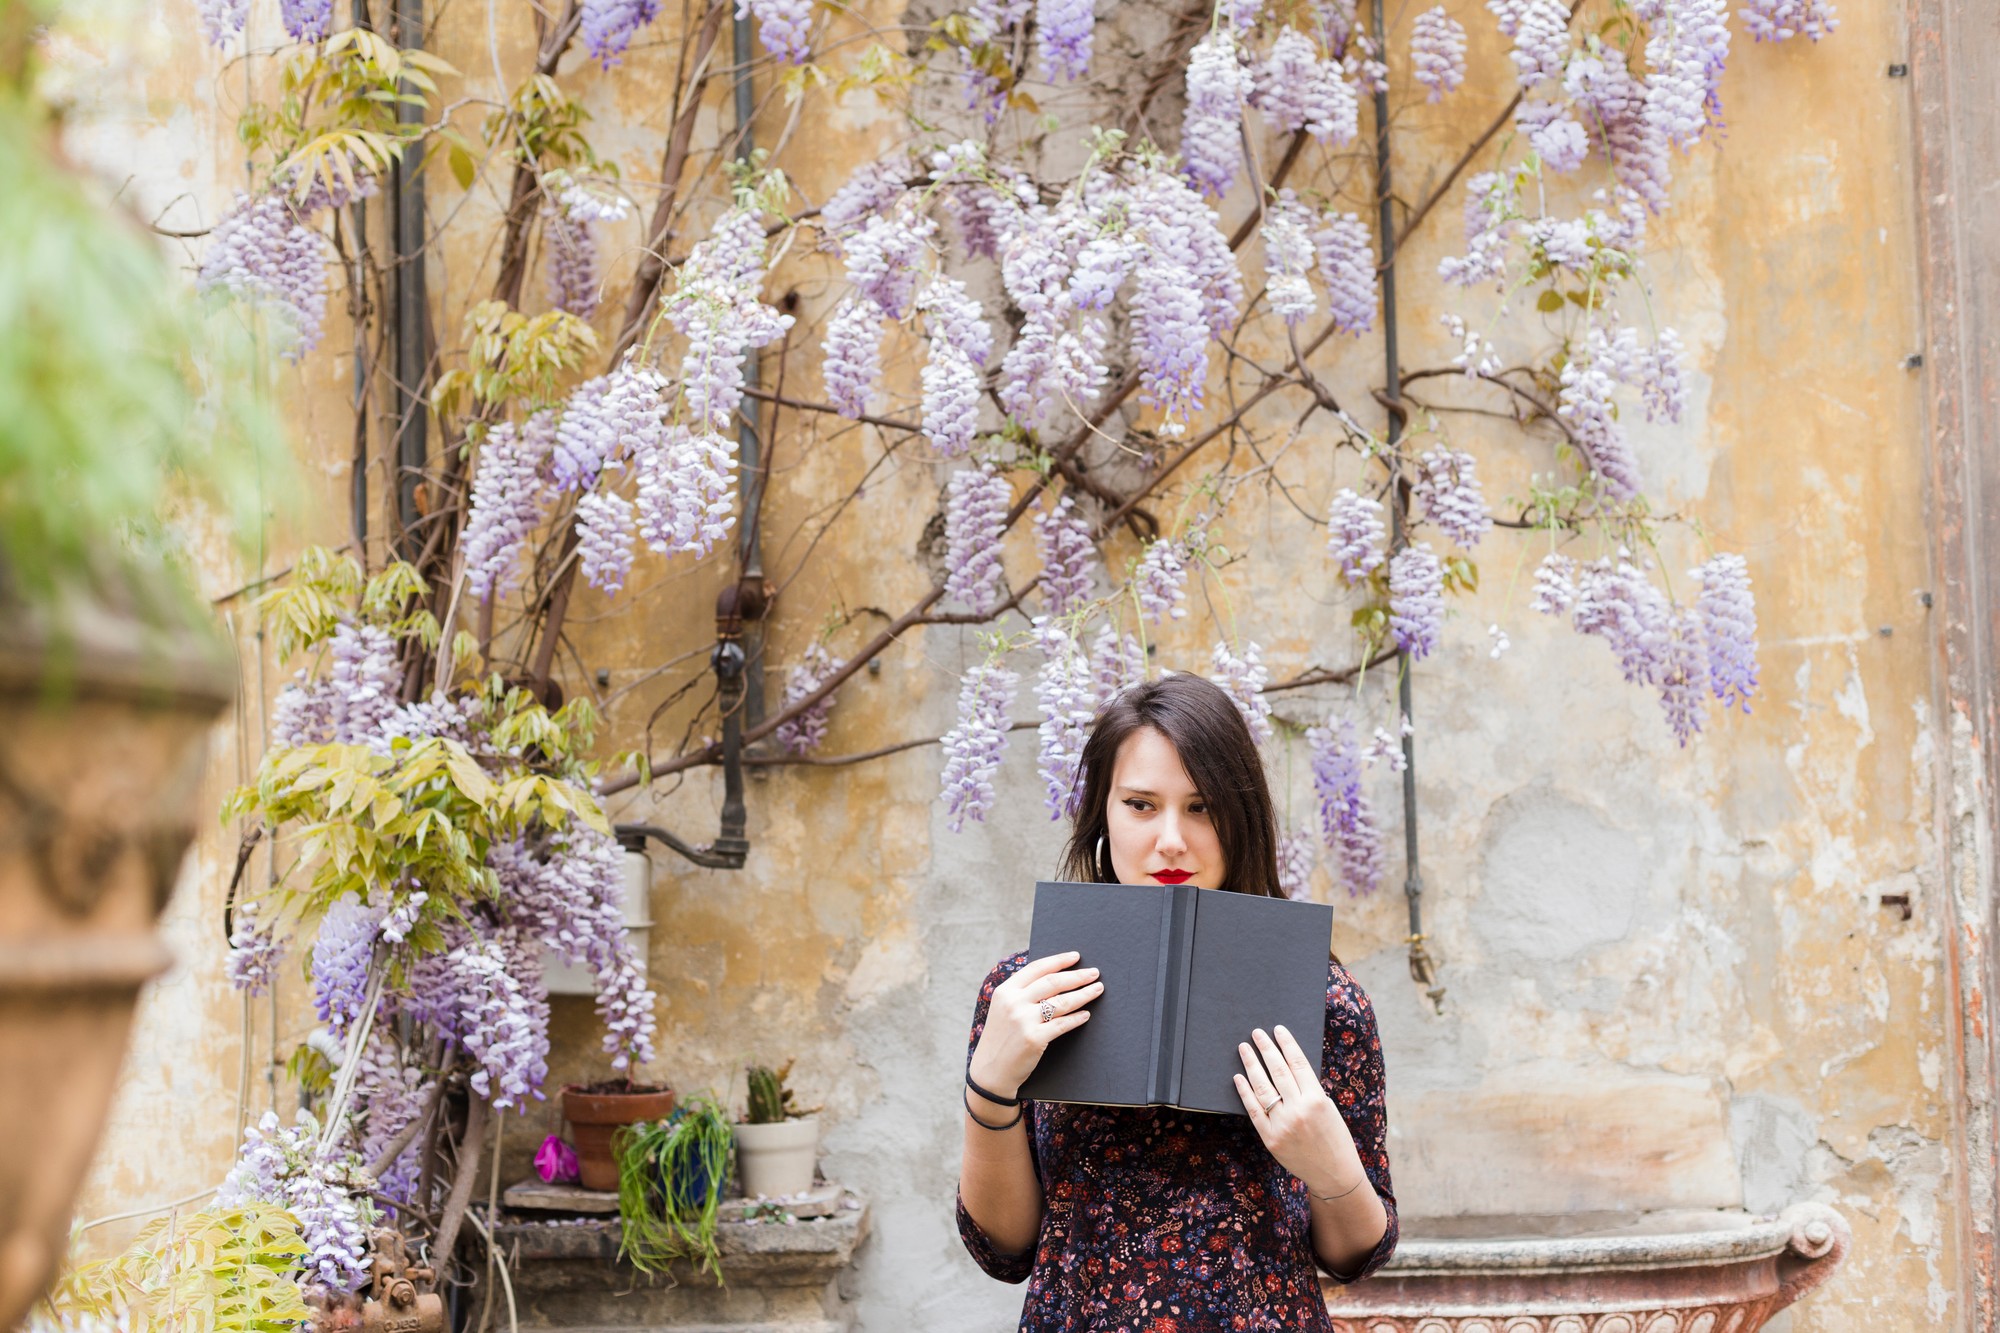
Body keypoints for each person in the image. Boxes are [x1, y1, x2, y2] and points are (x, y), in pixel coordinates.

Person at [955, 672, 1397, 1330]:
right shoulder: (1027, 993)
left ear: (1242, 817)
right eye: (1140, 804)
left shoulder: (1324, 998)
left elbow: (1355, 1255)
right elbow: (1004, 1248)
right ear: (1102, 813)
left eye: (1202, 807)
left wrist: (1333, 1171)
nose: (1171, 839)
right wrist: (988, 1089)